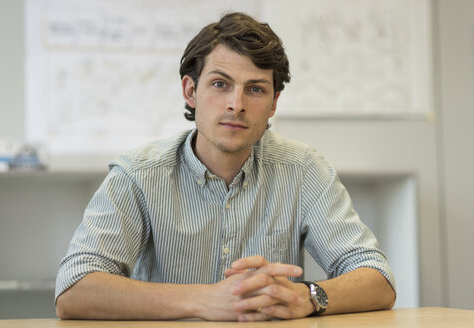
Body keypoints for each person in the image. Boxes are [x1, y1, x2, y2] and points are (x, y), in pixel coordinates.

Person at [55, 12, 396, 321]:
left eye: (256, 89)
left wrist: (309, 296)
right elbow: (74, 290)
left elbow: (377, 278)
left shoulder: (304, 170)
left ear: (274, 103)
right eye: (220, 84)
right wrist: (203, 300)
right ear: (191, 91)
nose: (237, 105)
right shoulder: (138, 174)